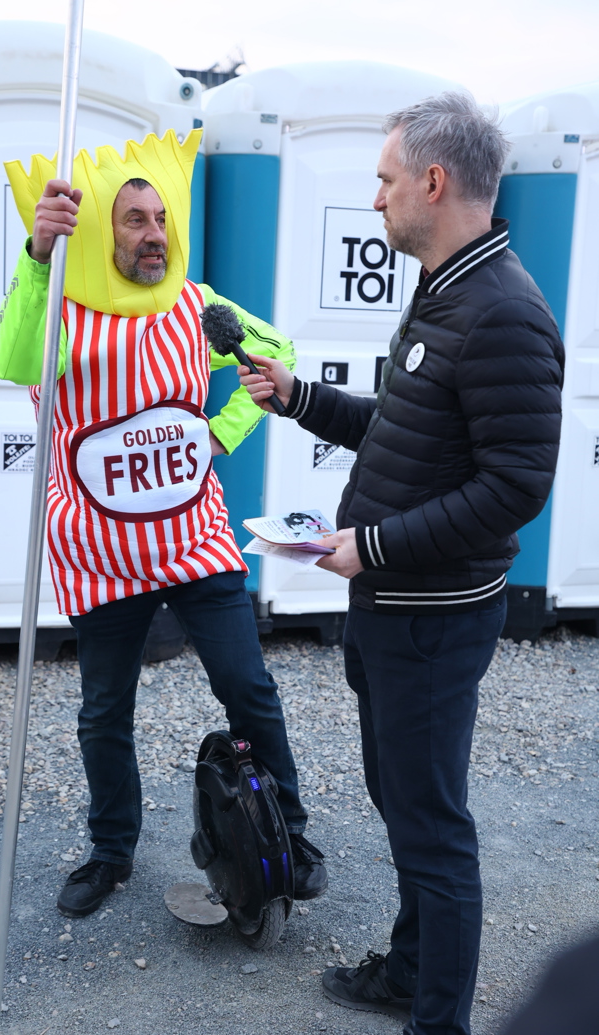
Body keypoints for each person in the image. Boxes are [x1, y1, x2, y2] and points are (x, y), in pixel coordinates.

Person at [237, 93, 564, 1035]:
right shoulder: (449, 287)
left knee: (432, 827)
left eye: (384, 180)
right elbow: (403, 429)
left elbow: (514, 488)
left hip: (431, 616)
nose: (374, 199)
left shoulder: (503, 310)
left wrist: (370, 545)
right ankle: (410, 971)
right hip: (391, 605)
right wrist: (300, 398)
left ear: (433, 180)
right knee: (402, 798)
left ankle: (437, 1020)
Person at [0, 131, 326, 918]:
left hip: (195, 542)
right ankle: (111, 851)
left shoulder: (195, 304)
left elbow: (275, 351)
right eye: (134, 219)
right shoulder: (62, 313)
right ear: (105, 230)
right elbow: (12, 359)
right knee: (105, 710)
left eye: (160, 217)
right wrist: (40, 255)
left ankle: (293, 834)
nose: (153, 233)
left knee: (249, 685)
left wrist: (222, 431)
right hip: (100, 555)